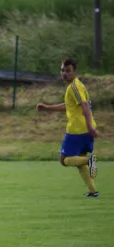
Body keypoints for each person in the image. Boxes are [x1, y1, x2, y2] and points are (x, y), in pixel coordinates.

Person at [37, 58, 99, 197]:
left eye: (68, 71)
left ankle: (90, 161)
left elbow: (85, 106)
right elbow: (69, 106)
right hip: (85, 130)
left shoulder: (74, 87)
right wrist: (48, 107)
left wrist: (89, 126)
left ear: (74, 72)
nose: (64, 74)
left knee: (64, 160)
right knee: (78, 162)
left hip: (78, 130)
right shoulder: (78, 85)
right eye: (62, 70)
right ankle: (93, 191)